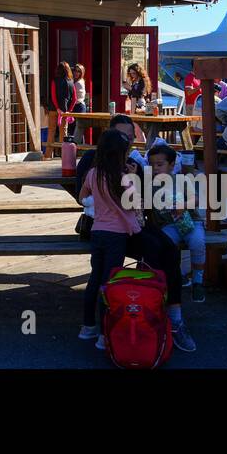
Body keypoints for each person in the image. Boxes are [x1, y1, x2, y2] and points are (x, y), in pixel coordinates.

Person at [77, 129, 196, 352]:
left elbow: (84, 197)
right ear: (120, 152)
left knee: (97, 278)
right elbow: (132, 205)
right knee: (115, 277)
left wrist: (98, 201)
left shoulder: (97, 172)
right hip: (120, 233)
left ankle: (89, 327)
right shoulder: (115, 175)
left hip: (105, 231)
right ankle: (117, 328)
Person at [146, 145, 206, 302]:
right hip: (168, 225)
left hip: (191, 221)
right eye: (151, 165)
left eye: (160, 164)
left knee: (197, 242)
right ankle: (175, 275)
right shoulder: (149, 185)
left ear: (171, 165)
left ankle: (198, 280)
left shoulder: (181, 180)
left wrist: (184, 205)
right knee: (165, 244)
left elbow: (196, 199)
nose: (155, 168)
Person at [50, 62, 75, 140]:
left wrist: (57, 108)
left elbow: (53, 96)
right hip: (65, 111)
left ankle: (48, 152)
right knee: (63, 132)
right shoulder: (71, 82)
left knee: (51, 131)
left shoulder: (54, 81)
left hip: (54, 109)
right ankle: (63, 152)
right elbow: (75, 99)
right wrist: (69, 110)